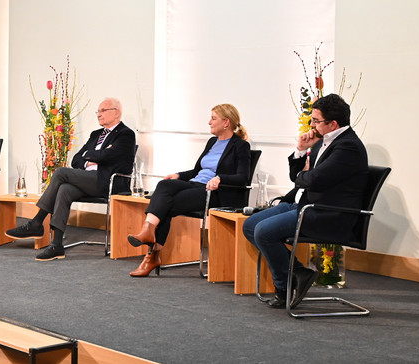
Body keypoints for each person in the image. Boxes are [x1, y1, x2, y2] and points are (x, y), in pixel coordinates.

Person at [242, 93, 368, 309]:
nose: (312, 125)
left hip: (328, 213)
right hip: (305, 204)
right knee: (250, 225)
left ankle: (284, 286)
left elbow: (314, 180)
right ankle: (299, 273)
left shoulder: (348, 147)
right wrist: (301, 150)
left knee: (264, 232)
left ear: (333, 123)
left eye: (316, 121)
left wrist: (306, 177)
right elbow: (299, 178)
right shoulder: (323, 142)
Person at [127, 104, 251, 277]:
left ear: (226, 122)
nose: (209, 122)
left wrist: (220, 178)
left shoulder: (240, 146)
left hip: (215, 193)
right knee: (164, 185)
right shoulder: (212, 142)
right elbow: (196, 171)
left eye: (213, 118)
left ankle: (151, 253)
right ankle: (148, 236)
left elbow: (243, 177)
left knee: (165, 205)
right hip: (195, 184)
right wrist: (178, 175)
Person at [5, 97, 136, 261]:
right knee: (65, 189)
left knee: (60, 172)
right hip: (89, 179)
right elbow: (76, 159)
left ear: (116, 113)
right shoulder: (96, 134)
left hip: (108, 182)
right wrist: (94, 158)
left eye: (103, 111)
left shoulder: (126, 134)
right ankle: (57, 245)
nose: (99, 115)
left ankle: (37, 222)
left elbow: (108, 156)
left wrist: (91, 156)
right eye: (98, 111)